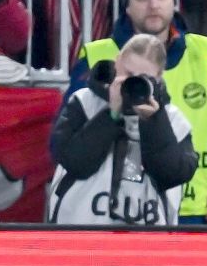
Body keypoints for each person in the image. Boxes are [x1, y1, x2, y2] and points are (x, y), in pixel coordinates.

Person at [63, 0, 207, 224]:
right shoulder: (97, 60)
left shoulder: (206, 58)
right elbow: (67, 141)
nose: (153, 4)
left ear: (174, 2)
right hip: (113, 213)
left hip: (194, 212)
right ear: (127, 7)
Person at [48, 33, 198, 225]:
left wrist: (154, 122)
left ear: (159, 78)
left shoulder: (173, 120)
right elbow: (73, 161)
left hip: (145, 239)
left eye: (142, 78)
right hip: (80, 231)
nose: (131, 83)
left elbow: (173, 175)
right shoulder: (84, 102)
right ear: (117, 61)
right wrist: (111, 113)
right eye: (127, 73)